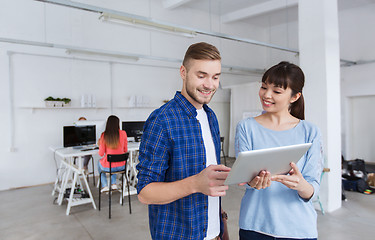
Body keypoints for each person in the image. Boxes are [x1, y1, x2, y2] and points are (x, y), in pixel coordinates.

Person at [136, 42, 231, 240]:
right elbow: (145, 192)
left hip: (214, 234)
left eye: (215, 77)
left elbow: (210, 179)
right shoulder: (162, 120)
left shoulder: (210, 116)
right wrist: (196, 183)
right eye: (201, 75)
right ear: (183, 72)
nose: (209, 85)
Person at [235, 61, 324, 240]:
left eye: (276, 91)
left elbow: (313, 188)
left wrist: (301, 185)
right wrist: (253, 182)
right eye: (263, 87)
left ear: (295, 96)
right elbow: (244, 178)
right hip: (255, 227)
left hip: (298, 229)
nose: (266, 95)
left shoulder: (310, 131)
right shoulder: (246, 127)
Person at [98, 115, 128, 192]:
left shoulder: (104, 135)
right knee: (114, 161)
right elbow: (125, 149)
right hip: (122, 166)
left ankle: (104, 185)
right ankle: (113, 184)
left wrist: (100, 144)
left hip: (109, 167)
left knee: (100, 163)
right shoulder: (123, 133)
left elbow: (101, 154)